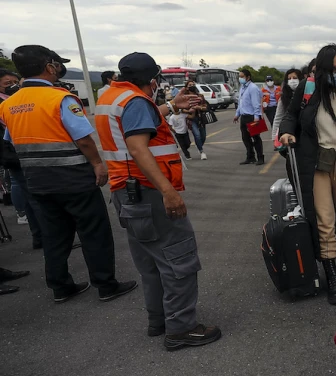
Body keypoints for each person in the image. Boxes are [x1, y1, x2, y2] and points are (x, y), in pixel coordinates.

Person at [96, 52, 221, 350]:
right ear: (151, 80)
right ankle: (181, 329)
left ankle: (159, 320)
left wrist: (169, 106)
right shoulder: (136, 101)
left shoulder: (112, 96)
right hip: (148, 193)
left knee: (150, 263)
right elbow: (139, 148)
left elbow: (138, 120)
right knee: (179, 261)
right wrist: (168, 191)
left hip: (125, 192)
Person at [0, 45, 137, 304]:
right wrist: (97, 163)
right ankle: (106, 285)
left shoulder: (9, 104)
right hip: (73, 178)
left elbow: (12, 140)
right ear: (49, 66)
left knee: (54, 236)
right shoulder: (60, 98)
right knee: (93, 232)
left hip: (37, 182)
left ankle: (61, 287)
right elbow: (83, 139)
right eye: (56, 64)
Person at [280, 44, 336, 305]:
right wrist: (287, 132)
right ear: (321, 72)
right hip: (318, 163)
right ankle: (332, 275)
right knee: (325, 219)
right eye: (333, 69)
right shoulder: (309, 92)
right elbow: (290, 116)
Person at [234, 69, 265, 165]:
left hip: (252, 116)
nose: (240, 78)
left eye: (242, 76)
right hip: (244, 116)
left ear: (248, 77)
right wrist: (237, 114)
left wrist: (256, 117)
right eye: (239, 76)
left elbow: (256, 104)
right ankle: (250, 157)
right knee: (245, 138)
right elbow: (240, 103)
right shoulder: (242, 88)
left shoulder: (253, 88)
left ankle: (260, 157)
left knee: (256, 138)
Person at [185, 81, 208, 160]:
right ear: (187, 87)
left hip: (200, 118)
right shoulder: (184, 97)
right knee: (197, 135)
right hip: (191, 119)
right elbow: (181, 110)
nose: (192, 86)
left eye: (193, 85)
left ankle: (199, 146)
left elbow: (205, 107)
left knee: (203, 136)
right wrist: (189, 111)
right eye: (190, 85)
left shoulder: (200, 96)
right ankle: (202, 151)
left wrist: (199, 107)